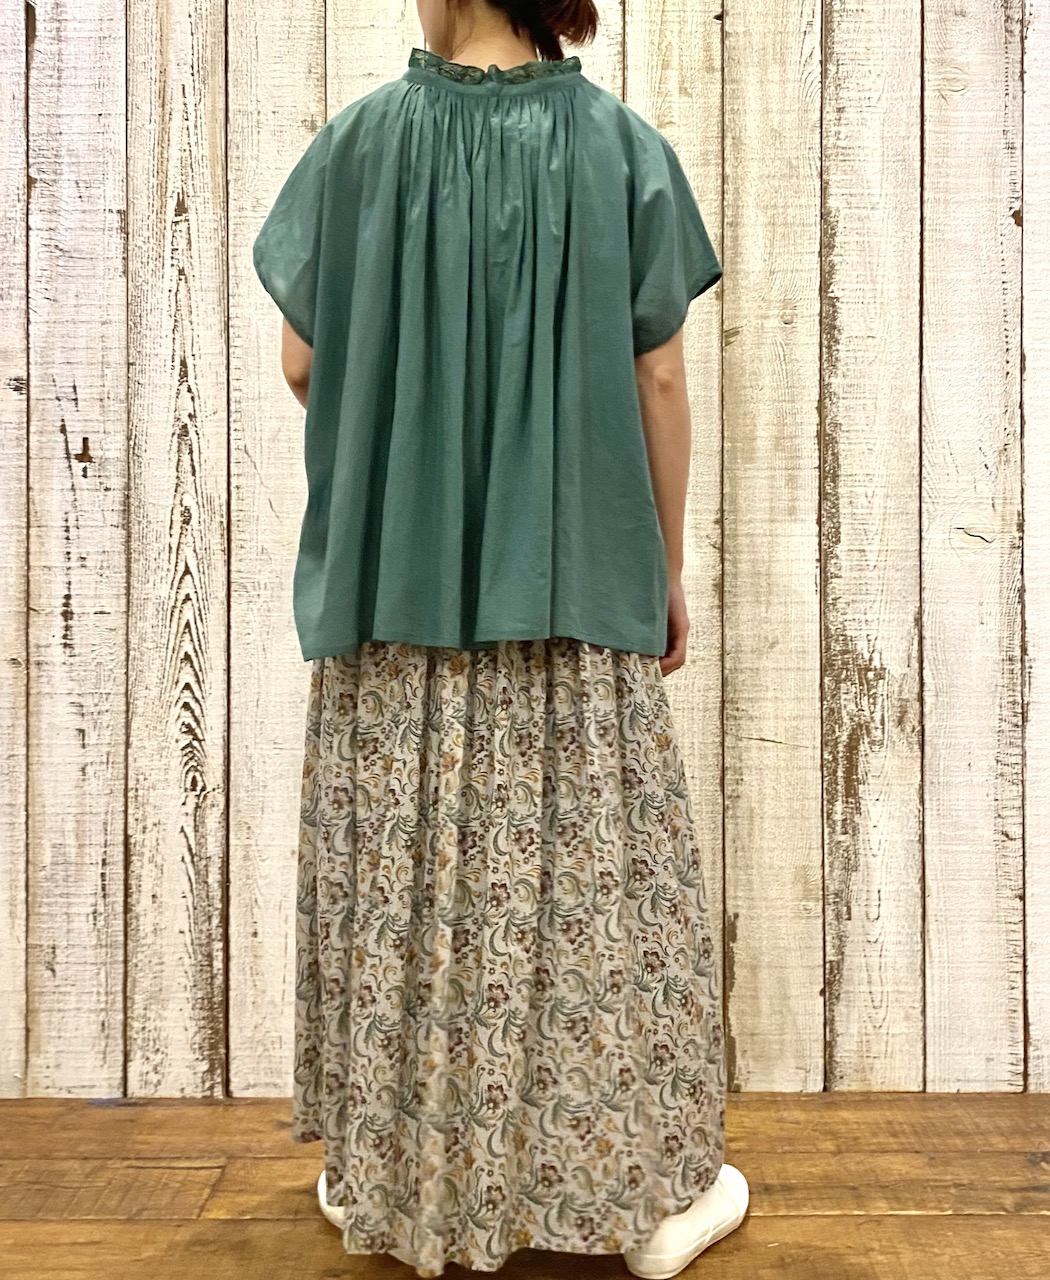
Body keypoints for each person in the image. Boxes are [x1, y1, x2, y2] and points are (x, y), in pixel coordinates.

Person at [252, 0, 748, 1275]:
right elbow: (658, 376)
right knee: (588, 897)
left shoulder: (358, 146)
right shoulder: (623, 150)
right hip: (573, 585)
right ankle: (643, 1203)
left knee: (413, 892)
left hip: (397, 598)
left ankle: (394, 1175)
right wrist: (666, 564)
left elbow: (304, 362)